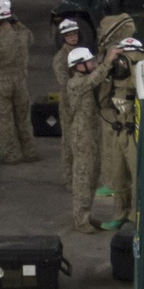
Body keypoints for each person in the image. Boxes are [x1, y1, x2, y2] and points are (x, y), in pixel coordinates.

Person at [92, 25, 144, 231]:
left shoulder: (143, 75)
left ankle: (135, 216)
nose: (125, 62)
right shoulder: (114, 75)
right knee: (118, 174)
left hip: (135, 132)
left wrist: (134, 64)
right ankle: (119, 214)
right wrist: (111, 69)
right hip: (118, 129)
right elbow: (103, 102)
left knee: (136, 175)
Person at [0, 0, 39, 165]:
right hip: (20, 82)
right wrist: (16, 21)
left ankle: (11, 155)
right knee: (23, 119)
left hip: (2, 83)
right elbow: (29, 35)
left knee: (5, 121)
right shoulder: (23, 36)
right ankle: (30, 152)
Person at [63, 46, 102, 233]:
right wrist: (109, 60)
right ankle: (80, 219)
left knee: (93, 175)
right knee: (82, 178)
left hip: (92, 133)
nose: (93, 64)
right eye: (89, 62)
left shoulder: (86, 80)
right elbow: (95, 78)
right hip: (82, 135)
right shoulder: (75, 83)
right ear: (78, 67)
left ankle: (86, 214)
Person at [51, 18, 80, 185]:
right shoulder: (60, 58)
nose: (73, 38)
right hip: (68, 102)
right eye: (69, 35)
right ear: (63, 37)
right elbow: (64, 81)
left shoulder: (82, 52)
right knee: (69, 140)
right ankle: (70, 178)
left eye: (75, 34)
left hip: (82, 102)